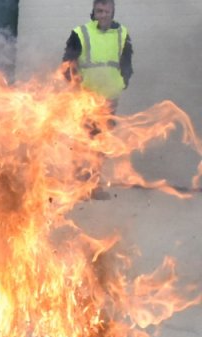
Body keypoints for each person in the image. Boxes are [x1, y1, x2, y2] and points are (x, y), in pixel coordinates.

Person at [62, 0, 133, 199]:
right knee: (82, 143)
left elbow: (126, 63)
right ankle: (78, 186)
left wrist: (121, 84)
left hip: (108, 101)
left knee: (100, 144)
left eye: (106, 11)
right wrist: (75, 87)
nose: (102, 14)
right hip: (85, 100)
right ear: (93, 11)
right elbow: (67, 63)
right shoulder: (80, 33)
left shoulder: (122, 34)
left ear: (113, 12)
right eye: (98, 10)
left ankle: (94, 186)